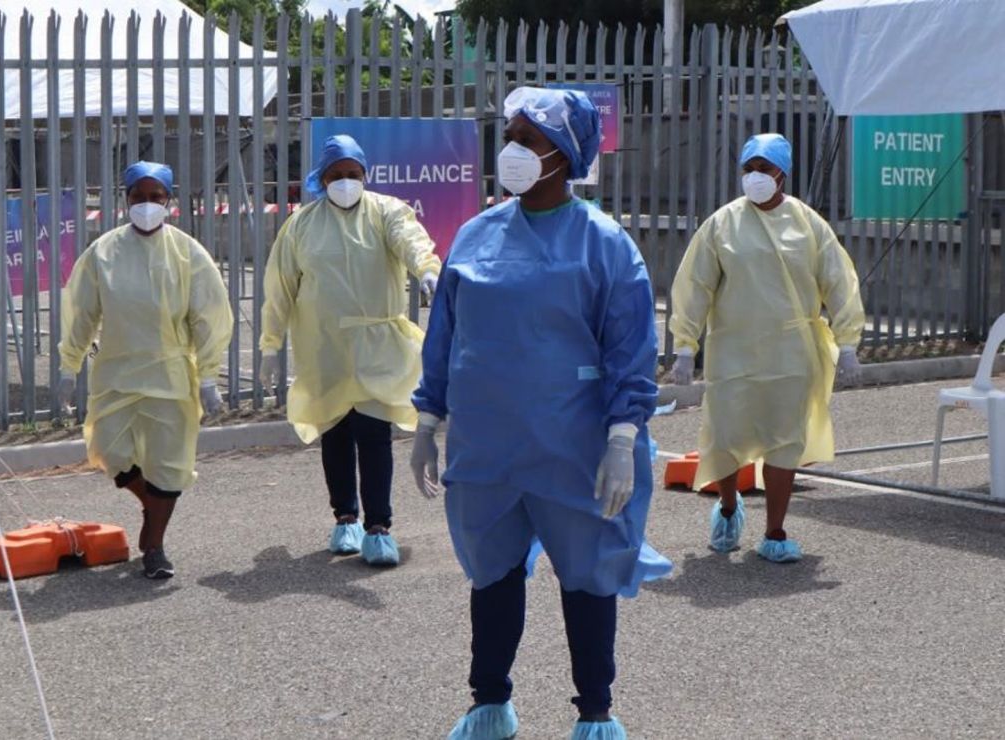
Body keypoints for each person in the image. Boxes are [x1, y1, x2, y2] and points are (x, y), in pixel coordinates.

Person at [410, 87, 671, 740]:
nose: (514, 151)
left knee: (587, 580)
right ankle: (490, 703)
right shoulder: (474, 236)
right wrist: (427, 418)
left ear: (566, 154)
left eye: (530, 139)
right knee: (492, 575)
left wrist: (622, 435)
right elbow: (446, 333)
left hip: (573, 449)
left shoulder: (605, 246)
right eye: (513, 136)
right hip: (487, 451)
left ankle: (596, 712)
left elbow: (629, 347)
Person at [668, 133, 865, 563]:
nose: (755, 177)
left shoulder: (809, 224)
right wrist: (685, 345)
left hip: (791, 354)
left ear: (782, 173)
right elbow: (694, 283)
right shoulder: (722, 224)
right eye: (748, 168)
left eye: (764, 168)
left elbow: (839, 280)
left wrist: (848, 342)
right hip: (733, 350)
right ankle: (727, 507)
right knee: (725, 436)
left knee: (784, 440)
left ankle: (775, 531)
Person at [260, 135, 440, 567]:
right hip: (325, 347)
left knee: (374, 434)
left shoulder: (387, 212)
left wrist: (428, 270)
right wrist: (270, 344)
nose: (345, 182)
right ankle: (345, 518)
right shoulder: (301, 225)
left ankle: (379, 526)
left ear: (365, 175)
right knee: (336, 433)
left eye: (352, 174)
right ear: (322, 180)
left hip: (376, 345)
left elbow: (411, 241)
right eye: (336, 176)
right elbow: (280, 286)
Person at [58, 161, 233, 579]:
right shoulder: (103, 253)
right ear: (126, 200)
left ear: (169, 201)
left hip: (171, 375)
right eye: (139, 197)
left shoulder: (188, 253)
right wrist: (69, 365)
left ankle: (154, 546)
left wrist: (208, 376)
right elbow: (81, 312)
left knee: (169, 464)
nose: (147, 205)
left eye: (156, 197)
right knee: (111, 451)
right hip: (117, 373)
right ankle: (151, 507)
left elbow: (209, 315)